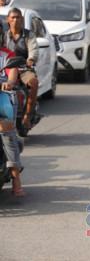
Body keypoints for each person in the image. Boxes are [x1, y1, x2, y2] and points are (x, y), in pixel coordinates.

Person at [2, 8, 39, 128]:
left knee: (33, 83)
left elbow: (34, 50)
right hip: (6, 67)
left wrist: (30, 60)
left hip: (23, 69)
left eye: (18, 17)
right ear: (8, 20)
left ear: (22, 19)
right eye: (13, 17)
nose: (15, 20)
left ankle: (28, 115)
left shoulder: (28, 35)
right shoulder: (4, 36)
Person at [0, 47, 24, 197]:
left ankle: (16, 177)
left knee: (5, 129)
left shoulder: (6, 54)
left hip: (2, 97)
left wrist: (9, 82)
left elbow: (12, 73)